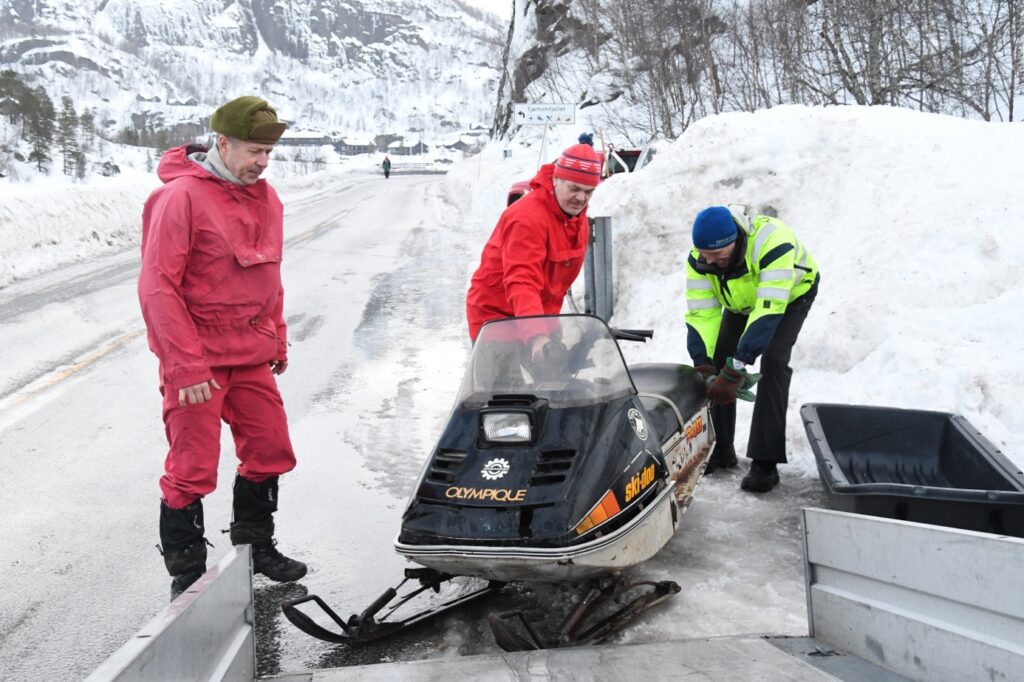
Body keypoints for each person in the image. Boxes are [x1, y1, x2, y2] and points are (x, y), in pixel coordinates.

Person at [138, 96, 307, 600]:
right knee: (192, 468)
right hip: (199, 362)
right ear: (223, 143)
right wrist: (184, 366)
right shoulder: (180, 198)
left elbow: (268, 274)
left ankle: (256, 548)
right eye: (255, 150)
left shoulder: (267, 198)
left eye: (268, 153)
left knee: (271, 451)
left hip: (250, 354)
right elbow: (157, 288)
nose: (262, 162)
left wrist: (275, 332)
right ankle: (187, 574)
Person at [684, 205, 819, 493]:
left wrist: (739, 366)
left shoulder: (774, 243)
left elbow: (769, 310)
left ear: (735, 242)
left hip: (789, 295)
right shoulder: (700, 259)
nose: (709, 261)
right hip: (741, 300)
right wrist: (703, 361)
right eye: (705, 255)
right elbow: (702, 313)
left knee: (773, 363)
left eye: (717, 256)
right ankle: (720, 448)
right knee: (719, 363)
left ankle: (765, 463)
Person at [465, 142, 604, 366]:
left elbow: (555, 284)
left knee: (554, 390)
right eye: (574, 188)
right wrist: (537, 335)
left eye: (588, 192)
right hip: (497, 320)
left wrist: (547, 330)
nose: (581, 198)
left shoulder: (576, 220)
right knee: (502, 395)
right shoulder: (527, 218)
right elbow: (522, 280)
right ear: (556, 179)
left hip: (539, 316)